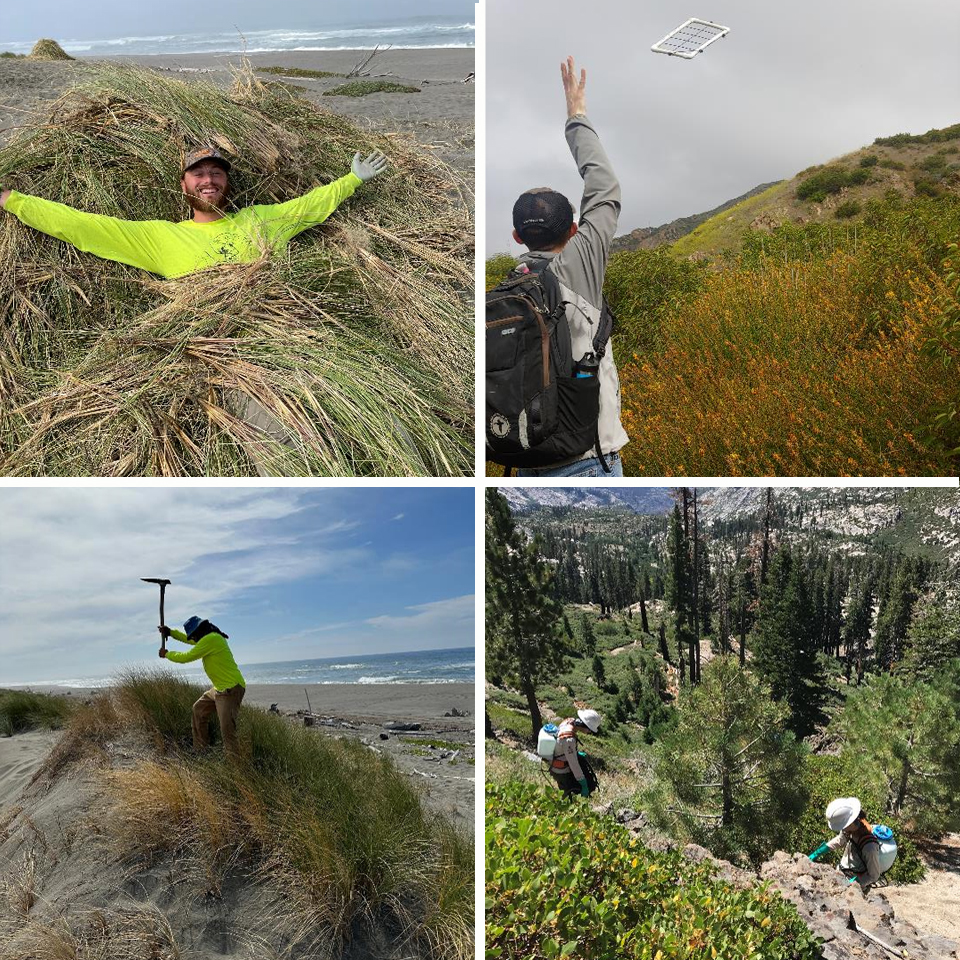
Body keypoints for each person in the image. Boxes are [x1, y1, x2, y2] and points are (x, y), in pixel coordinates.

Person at [0, 146, 388, 279]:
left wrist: (352, 179)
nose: (208, 181)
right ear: (184, 185)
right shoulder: (159, 237)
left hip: (284, 331)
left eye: (216, 174)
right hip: (222, 356)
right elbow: (80, 225)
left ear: (226, 184)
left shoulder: (260, 220)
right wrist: (11, 200)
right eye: (198, 174)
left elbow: (310, 206)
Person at [512, 57, 627, 477]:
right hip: (586, 459)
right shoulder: (580, 265)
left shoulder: (510, 289)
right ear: (575, 229)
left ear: (517, 237)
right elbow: (604, 186)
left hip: (526, 458)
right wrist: (576, 116)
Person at [159, 615, 246, 759]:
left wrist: (167, 654)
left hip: (230, 690)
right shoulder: (207, 638)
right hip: (218, 689)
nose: (193, 639)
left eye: (193, 635)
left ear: (199, 631)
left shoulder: (212, 639)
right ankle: (201, 751)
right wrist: (171, 633)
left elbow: (186, 657)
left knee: (228, 733)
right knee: (198, 710)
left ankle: (236, 769)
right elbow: (190, 641)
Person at [808, 797, 882, 890]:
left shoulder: (869, 847)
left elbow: (873, 876)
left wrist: (854, 884)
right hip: (843, 871)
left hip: (856, 878)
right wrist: (819, 852)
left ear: (849, 824)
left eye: (842, 826)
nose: (841, 829)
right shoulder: (849, 830)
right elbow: (840, 840)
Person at [549, 708, 601, 798]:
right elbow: (574, 765)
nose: (589, 732)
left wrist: (575, 753)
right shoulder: (569, 739)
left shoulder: (569, 721)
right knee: (567, 794)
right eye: (589, 730)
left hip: (557, 757)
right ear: (585, 725)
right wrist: (583, 784)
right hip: (561, 769)